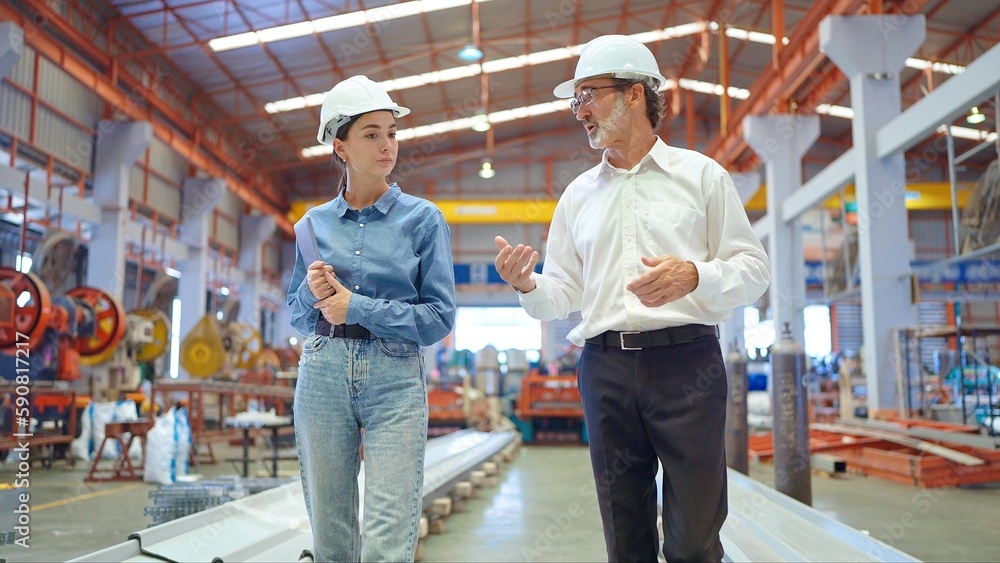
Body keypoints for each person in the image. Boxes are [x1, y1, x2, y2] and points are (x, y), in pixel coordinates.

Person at [494, 35, 770, 562]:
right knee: (627, 535)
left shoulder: (702, 177)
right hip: (606, 370)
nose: (581, 112)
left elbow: (754, 270)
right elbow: (565, 293)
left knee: (693, 537)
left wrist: (695, 276)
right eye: (577, 100)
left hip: (688, 366)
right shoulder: (577, 196)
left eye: (589, 95)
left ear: (635, 95)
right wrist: (527, 284)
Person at [287, 75, 457, 562]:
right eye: (371, 134)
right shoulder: (312, 225)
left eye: (392, 133)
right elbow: (298, 317)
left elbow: (439, 317)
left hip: (395, 375)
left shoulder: (423, 220)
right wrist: (311, 291)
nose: (387, 145)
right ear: (339, 146)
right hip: (321, 370)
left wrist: (354, 307)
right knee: (331, 530)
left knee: (389, 526)